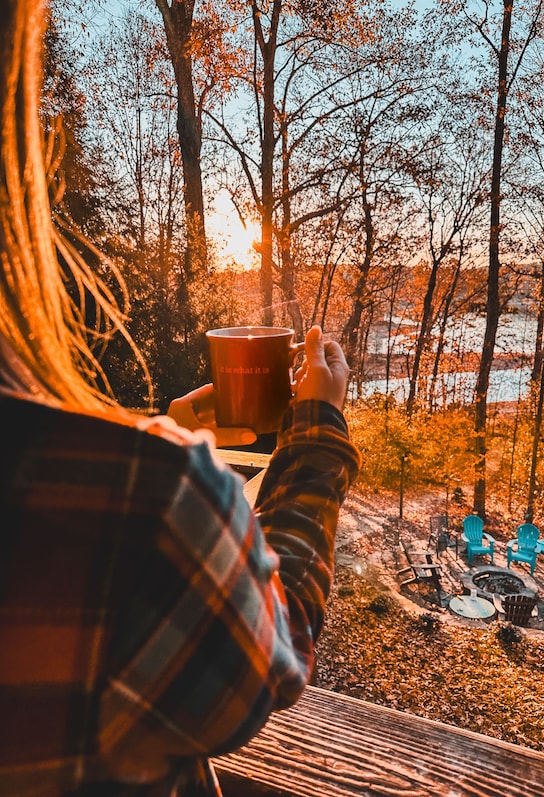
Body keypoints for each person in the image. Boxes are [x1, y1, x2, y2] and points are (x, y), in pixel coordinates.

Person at [0, 1, 360, 796]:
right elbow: (276, 645)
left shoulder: (120, 482)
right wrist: (320, 434)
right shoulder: (142, 505)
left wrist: (148, 431)